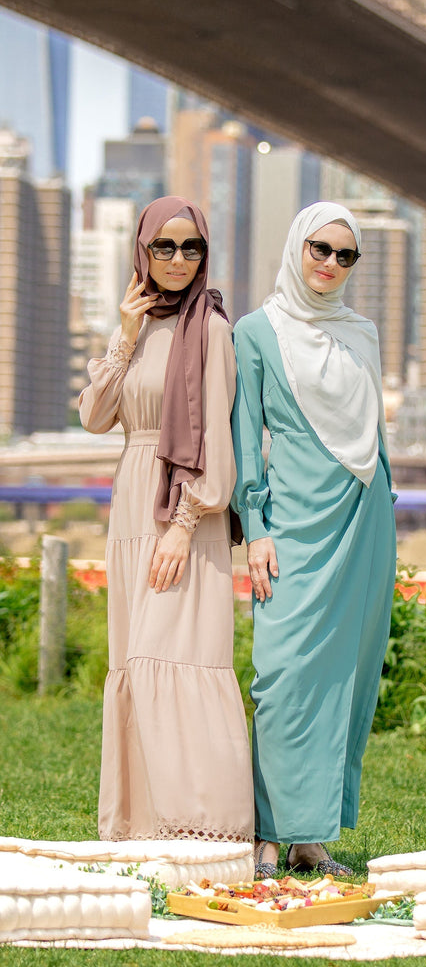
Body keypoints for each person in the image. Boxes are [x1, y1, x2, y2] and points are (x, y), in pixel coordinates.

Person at [79, 195, 253, 842]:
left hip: (183, 508)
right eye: (165, 247)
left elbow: (216, 438)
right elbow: (96, 417)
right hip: (131, 503)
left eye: (192, 248)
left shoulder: (209, 328)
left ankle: (209, 828)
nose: (179, 260)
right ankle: (140, 823)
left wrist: (184, 521)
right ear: (142, 252)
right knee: (133, 660)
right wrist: (123, 338)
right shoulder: (136, 325)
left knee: (177, 656)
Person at [231, 201, 396, 878]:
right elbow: (247, 435)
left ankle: (309, 838)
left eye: (345, 255)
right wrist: (256, 528)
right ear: (297, 248)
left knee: (344, 679)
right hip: (293, 521)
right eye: (319, 250)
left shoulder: (362, 333)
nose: (330, 264)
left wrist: (384, 502)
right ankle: (267, 832)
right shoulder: (256, 331)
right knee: (285, 674)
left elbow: (371, 433)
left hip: (364, 518)